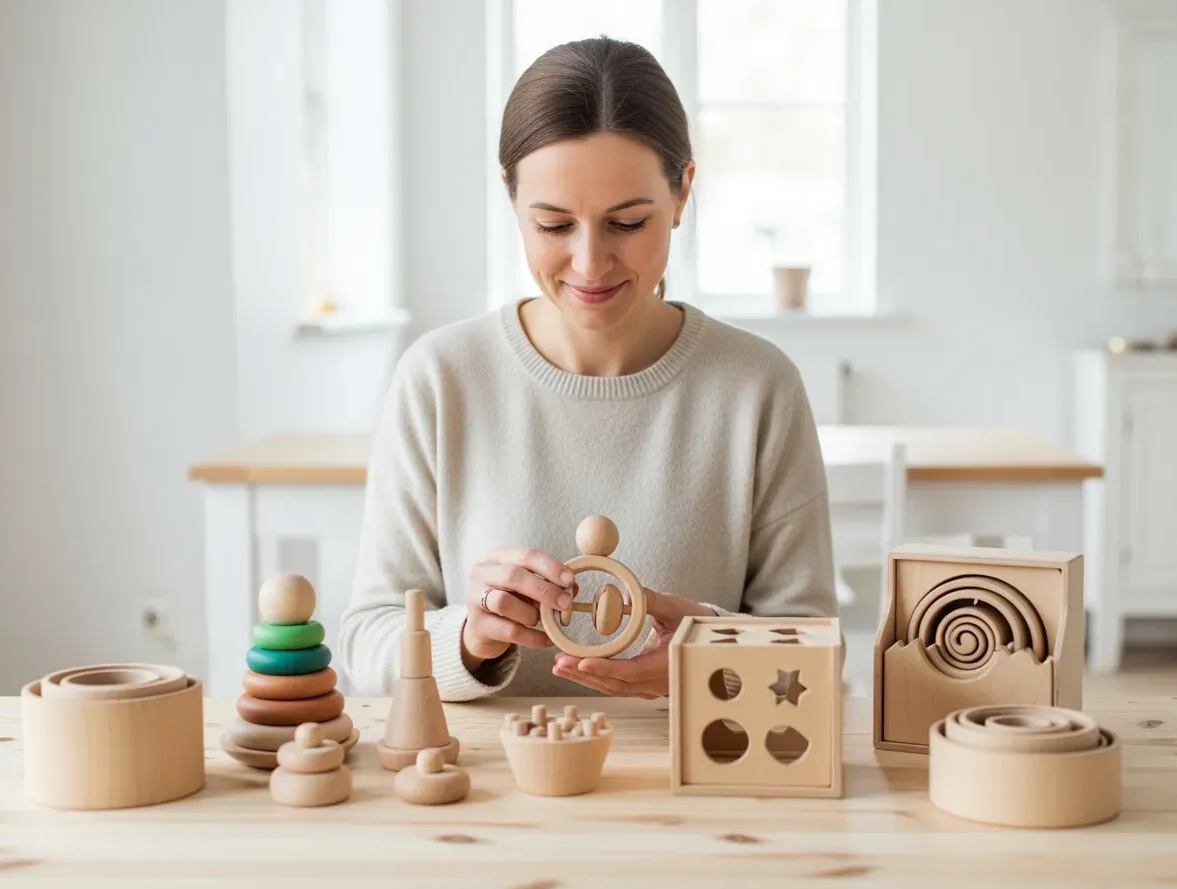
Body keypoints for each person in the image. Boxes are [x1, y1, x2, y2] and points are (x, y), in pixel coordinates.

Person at [339, 35, 835, 702]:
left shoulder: (758, 387)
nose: (590, 264)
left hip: (693, 790)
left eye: (627, 223)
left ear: (682, 194)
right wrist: (469, 638)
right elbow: (366, 641)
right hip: (489, 792)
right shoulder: (440, 379)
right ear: (511, 200)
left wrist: (712, 657)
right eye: (553, 225)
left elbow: (816, 649)